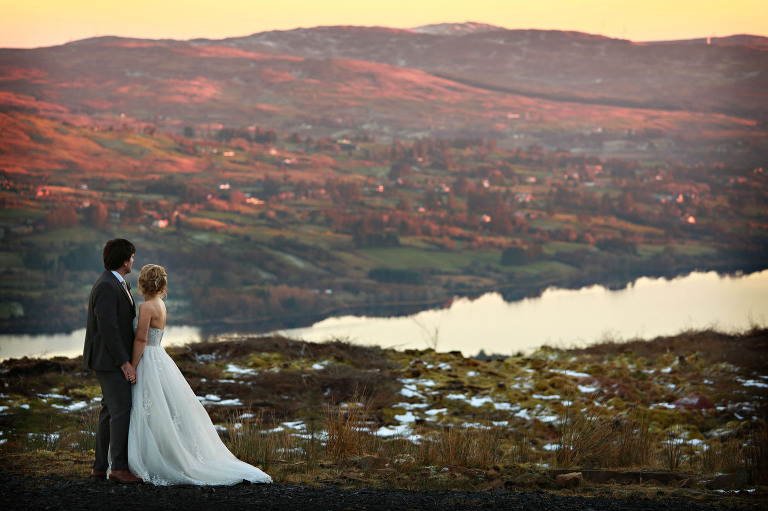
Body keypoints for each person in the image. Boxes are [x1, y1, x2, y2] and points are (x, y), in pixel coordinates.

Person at [127, 264, 272, 485]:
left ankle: (153, 458)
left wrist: (132, 365)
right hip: (160, 359)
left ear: (142, 283)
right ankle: (161, 453)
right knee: (161, 409)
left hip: (148, 359)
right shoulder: (161, 305)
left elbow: (141, 340)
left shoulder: (146, 307)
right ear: (162, 284)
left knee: (151, 410)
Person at [83, 238, 142, 484]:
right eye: (132, 256)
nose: (133, 261)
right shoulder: (107, 285)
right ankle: (118, 468)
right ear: (125, 260)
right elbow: (108, 329)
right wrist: (124, 363)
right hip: (109, 361)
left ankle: (99, 468)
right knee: (121, 411)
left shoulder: (114, 282)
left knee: (109, 412)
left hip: (107, 360)